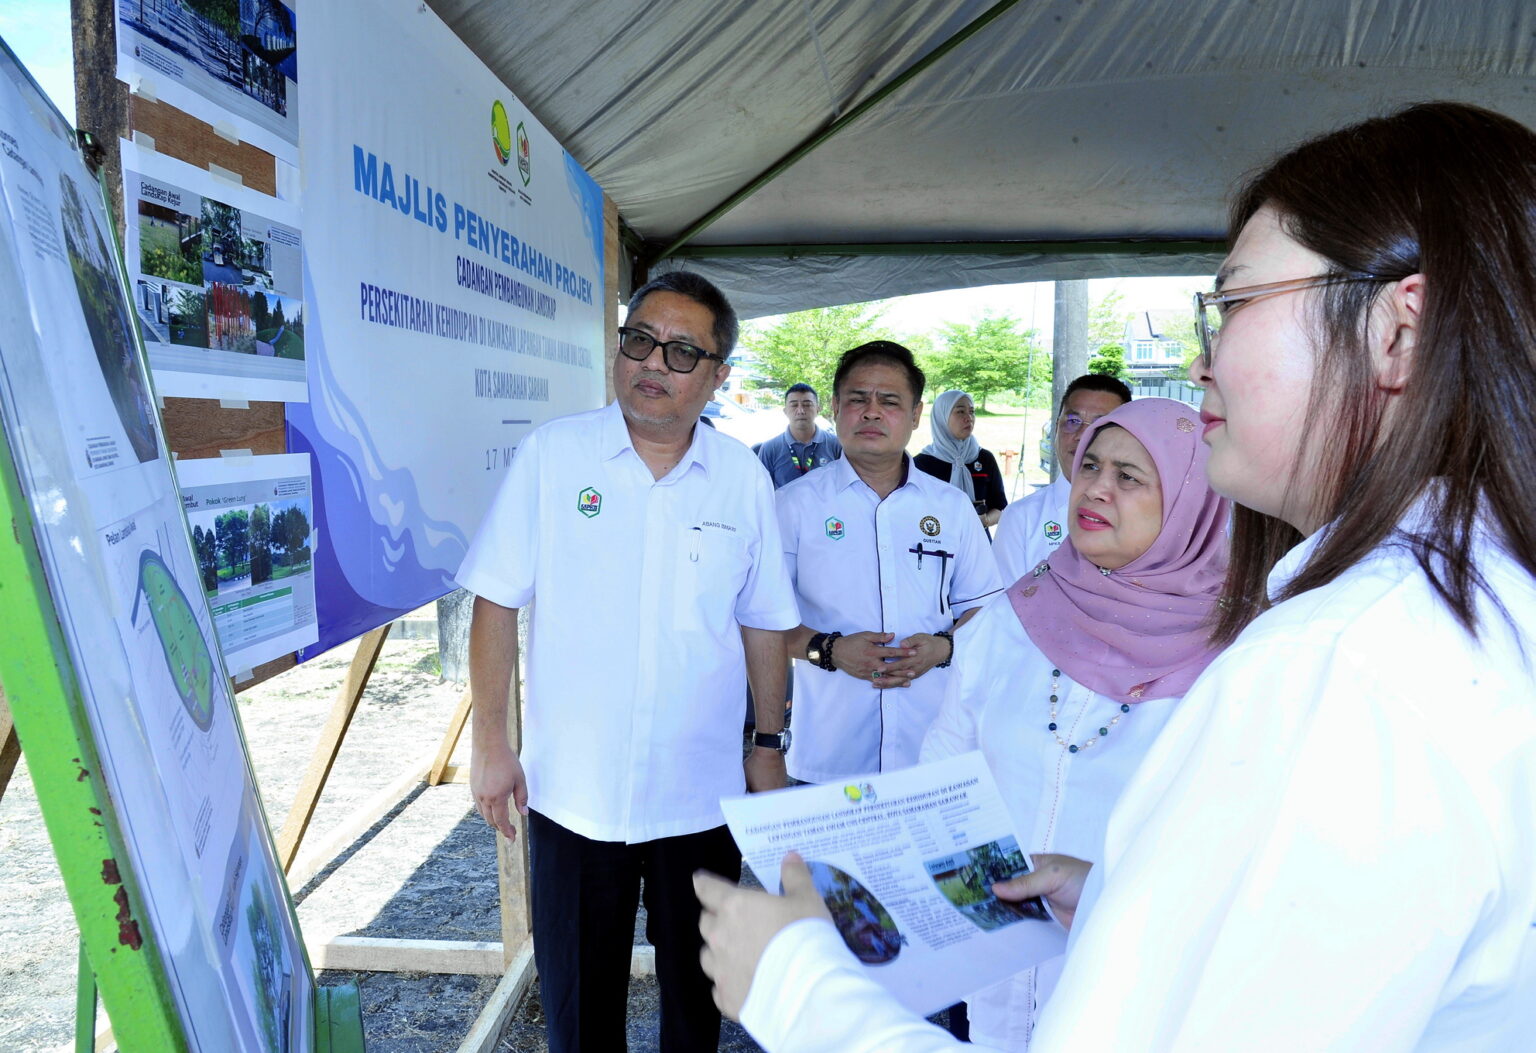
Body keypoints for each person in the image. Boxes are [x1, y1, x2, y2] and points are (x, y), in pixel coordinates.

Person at [693, 101, 1536, 1052]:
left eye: (1232, 304)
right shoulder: (1465, 612)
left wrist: (797, 985)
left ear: (1398, 332)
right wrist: (1111, 900)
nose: (1200, 361)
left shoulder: (1333, 667)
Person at [459, 270, 800, 1053]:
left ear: (718, 375)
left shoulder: (742, 478)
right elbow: (495, 598)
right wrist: (490, 743)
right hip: (574, 795)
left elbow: (763, 623)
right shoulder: (554, 455)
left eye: (682, 351)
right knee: (579, 1017)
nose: (653, 362)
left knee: (696, 1010)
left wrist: (768, 745)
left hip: (699, 796)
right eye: (640, 340)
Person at [918, 397, 1229, 1049]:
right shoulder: (1013, 617)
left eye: (1129, 476)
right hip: (995, 967)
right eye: (1090, 465)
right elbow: (944, 768)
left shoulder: (1234, 660)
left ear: (1190, 502)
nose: (1096, 488)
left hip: (1135, 990)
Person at [776, 342, 1003, 783]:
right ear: (835, 408)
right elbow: (763, 620)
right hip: (829, 751)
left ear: (916, 415)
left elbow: (986, 608)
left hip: (933, 746)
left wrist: (944, 648)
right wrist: (829, 650)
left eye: (890, 401)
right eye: (858, 399)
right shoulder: (792, 506)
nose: (872, 412)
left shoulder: (951, 507)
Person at [991, 375, 1130, 583]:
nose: (1082, 435)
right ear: (1056, 428)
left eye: (1100, 424)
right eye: (1073, 421)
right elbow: (1003, 599)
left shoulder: (1145, 515)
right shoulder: (1022, 518)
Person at [913, 390, 1007, 527]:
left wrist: (984, 521)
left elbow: (1000, 506)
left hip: (978, 537)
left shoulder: (984, 458)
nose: (969, 418)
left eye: (972, 411)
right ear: (942, 417)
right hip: (935, 537)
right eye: (960, 411)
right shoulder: (921, 464)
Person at [756, 382, 843, 487]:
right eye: (794, 405)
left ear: (818, 409)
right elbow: (761, 489)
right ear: (785, 411)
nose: (801, 411)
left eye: (807, 405)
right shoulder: (769, 448)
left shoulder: (836, 444)